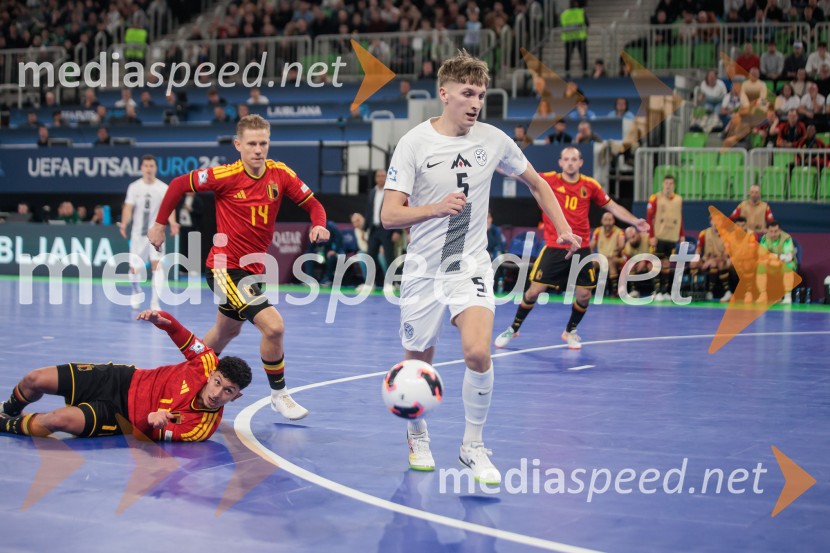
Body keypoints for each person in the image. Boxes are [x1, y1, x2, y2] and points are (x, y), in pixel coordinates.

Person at [380, 51, 582, 484]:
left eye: (481, 95)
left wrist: (563, 227)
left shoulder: (493, 140)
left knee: (477, 352)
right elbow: (389, 215)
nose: (475, 103)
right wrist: (435, 208)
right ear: (445, 93)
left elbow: (537, 183)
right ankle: (417, 433)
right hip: (423, 270)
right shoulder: (414, 143)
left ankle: (472, 445)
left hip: (469, 263)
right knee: (418, 364)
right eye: (468, 94)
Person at [147, 114, 330, 421]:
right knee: (274, 327)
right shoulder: (226, 175)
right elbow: (179, 184)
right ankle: (279, 395)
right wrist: (159, 224)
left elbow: (313, 204)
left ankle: (184, 379)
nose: (258, 150)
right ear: (238, 145)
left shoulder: (280, 174)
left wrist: (319, 224)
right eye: (252, 144)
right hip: (224, 268)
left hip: (252, 271)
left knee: (226, 330)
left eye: (263, 143)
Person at [0, 310, 251, 441]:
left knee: (55, 420)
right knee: (35, 379)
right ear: (211, 374)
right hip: (120, 379)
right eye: (217, 383)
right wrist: (160, 318)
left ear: (236, 397)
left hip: (119, 416)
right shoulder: (205, 361)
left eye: (227, 391)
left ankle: (4, 424)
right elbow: (176, 330)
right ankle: (9, 409)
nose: (217, 393)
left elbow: (146, 431)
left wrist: (152, 420)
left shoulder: (200, 428)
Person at [495, 146, 648, 348]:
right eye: (566, 159)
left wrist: (635, 221)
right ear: (560, 162)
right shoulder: (549, 179)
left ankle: (570, 331)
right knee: (534, 291)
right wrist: (493, 163)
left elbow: (611, 206)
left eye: (574, 159)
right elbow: (517, 174)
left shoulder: (589, 185)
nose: (570, 163)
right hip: (554, 246)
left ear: (580, 162)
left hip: (581, 248)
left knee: (584, 295)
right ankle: (514, 328)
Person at [120, 154, 180, 310]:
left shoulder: (163, 188)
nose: (148, 169)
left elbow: (169, 208)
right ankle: (136, 291)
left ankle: (155, 303)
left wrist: (173, 222)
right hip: (138, 235)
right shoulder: (134, 187)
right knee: (134, 269)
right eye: (146, 166)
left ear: (156, 168)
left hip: (156, 234)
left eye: (151, 166)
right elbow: (128, 208)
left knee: (157, 266)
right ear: (141, 168)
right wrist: (124, 223)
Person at [357, 169, 399, 294]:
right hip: (374, 229)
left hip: (387, 229)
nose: (380, 178)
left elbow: (397, 210)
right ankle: (370, 283)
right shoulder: (372, 192)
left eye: (383, 176)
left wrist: (397, 231)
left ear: (387, 177)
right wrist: (364, 229)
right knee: (370, 257)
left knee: (389, 257)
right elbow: (368, 212)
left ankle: (391, 283)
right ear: (375, 178)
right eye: (378, 176)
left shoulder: (391, 192)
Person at [646, 174, 685, 301]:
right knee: (655, 263)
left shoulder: (679, 199)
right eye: (666, 183)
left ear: (674, 185)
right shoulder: (655, 198)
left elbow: (679, 218)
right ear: (663, 184)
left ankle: (664, 291)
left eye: (671, 183)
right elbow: (649, 218)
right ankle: (656, 290)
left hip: (672, 236)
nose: (668, 186)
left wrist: (682, 234)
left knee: (666, 263)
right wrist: (651, 235)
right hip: (659, 236)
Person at [757, 220, 797, 304]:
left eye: (776, 231)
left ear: (780, 230)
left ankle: (787, 297)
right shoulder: (764, 239)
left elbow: (788, 257)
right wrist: (777, 258)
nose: (773, 234)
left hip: (785, 264)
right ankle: (763, 294)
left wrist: (771, 257)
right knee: (760, 267)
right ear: (767, 230)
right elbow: (762, 256)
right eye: (771, 231)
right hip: (770, 264)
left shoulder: (786, 238)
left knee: (788, 267)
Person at [692, 215, 730, 300]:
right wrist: (696, 257)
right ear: (710, 222)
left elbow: (725, 255)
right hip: (706, 258)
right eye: (714, 221)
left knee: (715, 264)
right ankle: (694, 290)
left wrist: (711, 261)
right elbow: (698, 249)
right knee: (693, 264)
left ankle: (713, 291)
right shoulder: (704, 233)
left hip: (720, 259)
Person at [590, 212, 625, 296]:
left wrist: (614, 254)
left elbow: (621, 246)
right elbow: (591, 246)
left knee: (610, 261)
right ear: (602, 221)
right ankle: (590, 287)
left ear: (613, 221)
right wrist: (591, 256)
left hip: (616, 258)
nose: (608, 222)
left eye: (610, 220)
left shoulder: (619, 232)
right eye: (605, 220)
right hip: (601, 259)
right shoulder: (598, 231)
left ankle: (614, 290)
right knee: (592, 263)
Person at [622, 226, 652, 298]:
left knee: (651, 265)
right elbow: (626, 262)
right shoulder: (627, 247)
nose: (631, 240)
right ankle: (634, 290)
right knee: (629, 266)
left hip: (650, 262)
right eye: (629, 238)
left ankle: (657, 291)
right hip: (638, 265)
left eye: (633, 236)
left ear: (638, 233)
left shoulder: (647, 238)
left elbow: (654, 253)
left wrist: (645, 261)